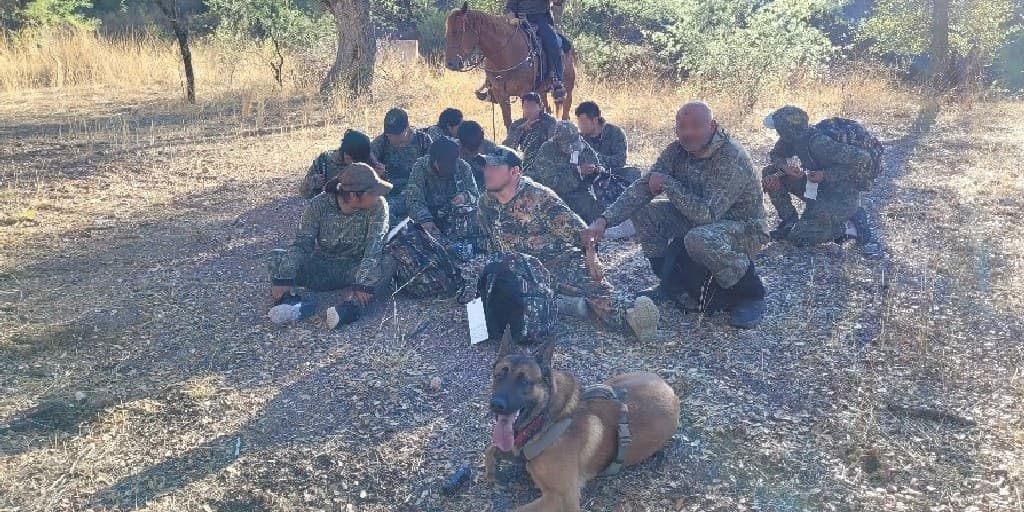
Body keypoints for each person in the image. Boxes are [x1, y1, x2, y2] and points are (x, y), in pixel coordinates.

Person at [583, 102, 769, 329]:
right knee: (644, 214)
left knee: (699, 238)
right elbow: (644, 186)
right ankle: (672, 285)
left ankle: (749, 295)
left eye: (695, 126)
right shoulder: (677, 151)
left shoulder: (731, 158)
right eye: (681, 127)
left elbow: (707, 214)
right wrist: (604, 220)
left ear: (712, 126)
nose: (687, 133)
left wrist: (668, 184)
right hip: (698, 218)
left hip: (743, 227)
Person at [477, 145, 659, 339]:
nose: (487, 172)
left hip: (554, 263)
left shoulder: (540, 198)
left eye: (495, 168)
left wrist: (591, 257)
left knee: (594, 289)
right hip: (515, 270)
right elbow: (489, 241)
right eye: (486, 167)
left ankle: (634, 316)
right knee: (492, 299)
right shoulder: (486, 203)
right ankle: (561, 303)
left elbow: (582, 233)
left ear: (515, 172)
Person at [268, 163, 393, 329]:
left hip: (355, 268)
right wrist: (284, 277)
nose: (379, 195)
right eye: (374, 192)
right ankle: (293, 305)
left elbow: (374, 248)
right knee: (276, 258)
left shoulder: (378, 206)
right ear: (355, 195)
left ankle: (351, 308)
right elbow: (302, 244)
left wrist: (363, 283)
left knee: (388, 262)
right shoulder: (319, 205)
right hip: (322, 268)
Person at [761, 105, 874, 246]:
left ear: (786, 130)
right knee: (770, 173)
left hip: (841, 196)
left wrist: (826, 175)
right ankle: (790, 221)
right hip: (817, 187)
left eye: (779, 129)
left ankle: (851, 226)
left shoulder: (819, 143)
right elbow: (776, 154)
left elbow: (864, 158)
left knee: (799, 238)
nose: (778, 133)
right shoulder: (793, 138)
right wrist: (784, 168)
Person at [404, 137, 483, 249]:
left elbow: (476, 195)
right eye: (444, 165)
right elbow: (414, 200)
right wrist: (425, 220)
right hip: (430, 218)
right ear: (434, 160)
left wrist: (464, 196)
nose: (448, 169)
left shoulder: (463, 167)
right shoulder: (420, 168)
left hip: (456, 219)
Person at [529, 120, 603, 223]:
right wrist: (577, 172)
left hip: (578, 190)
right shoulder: (547, 150)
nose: (572, 149)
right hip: (554, 195)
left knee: (595, 206)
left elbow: (593, 159)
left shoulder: (580, 144)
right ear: (558, 143)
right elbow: (551, 183)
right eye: (568, 145)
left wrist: (597, 169)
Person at [371, 107, 433, 225]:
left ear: (407, 128)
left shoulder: (422, 140)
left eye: (397, 135)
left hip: (417, 190)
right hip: (390, 190)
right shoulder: (380, 143)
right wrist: (377, 173)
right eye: (389, 135)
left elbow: (433, 170)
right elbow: (367, 167)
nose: (392, 138)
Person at [504, 0, 566, 102]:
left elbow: (557, 2)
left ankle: (557, 80)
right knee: (498, 40)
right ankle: (492, 83)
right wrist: (511, 18)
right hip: (516, 20)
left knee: (553, 44)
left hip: (539, 19)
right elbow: (510, 6)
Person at [300, 129, 383, 199]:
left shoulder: (368, 159)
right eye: (353, 160)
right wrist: (312, 182)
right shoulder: (324, 162)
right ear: (345, 154)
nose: (356, 164)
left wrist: (380, 176)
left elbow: (382, 193)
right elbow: (303, 193)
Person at [574, 101, 640, 182]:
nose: (580, 126)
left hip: (612, 175)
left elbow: (620, 160)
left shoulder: (615, 133)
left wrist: (597, 162)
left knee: (633, 173)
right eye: (579, 122)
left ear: (595, 121)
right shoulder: (579, 138)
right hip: (589, 178)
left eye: (583, 122)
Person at [502, 92, 556, 172]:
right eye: (526, 107)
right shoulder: (518, 124)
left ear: (540, 107)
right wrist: (520, 130)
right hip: (524, 164)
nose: (529, 110)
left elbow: (553, 146)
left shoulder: (550, 122)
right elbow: (508, 148)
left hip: (545, 165)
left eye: (532, 107)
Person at [457, 120, 498, 191]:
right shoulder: (454, 153)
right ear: (461, 144)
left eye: (476, 150)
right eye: (469, 151)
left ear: (482, 142)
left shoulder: (492, 150)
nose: (473, 155)